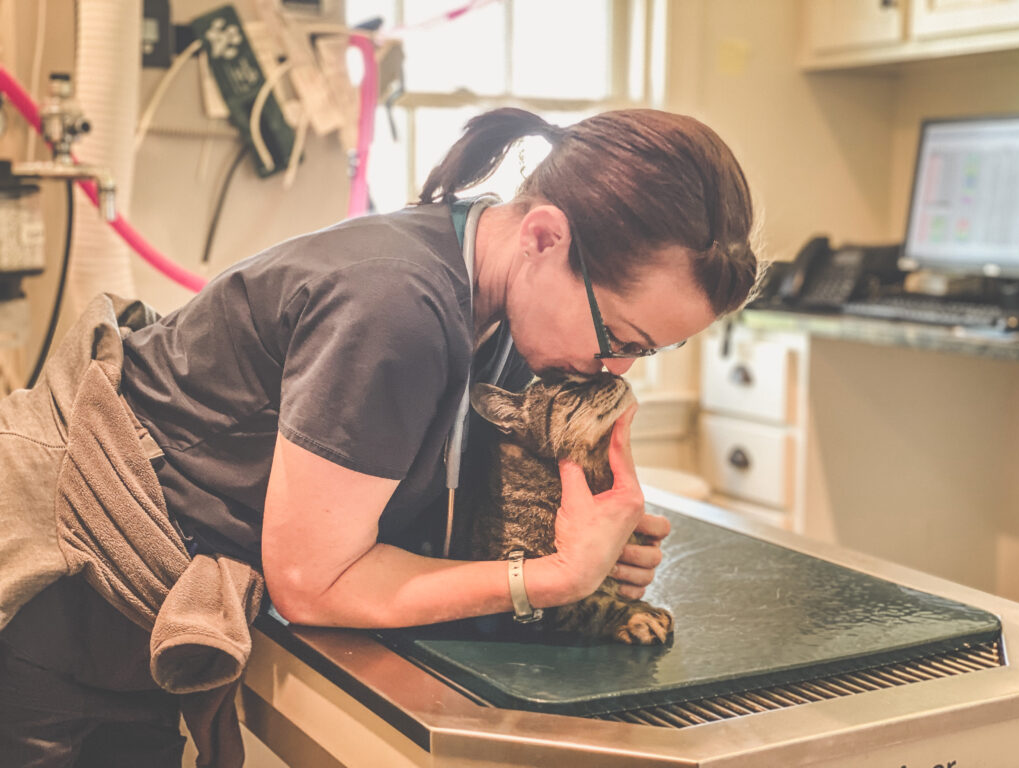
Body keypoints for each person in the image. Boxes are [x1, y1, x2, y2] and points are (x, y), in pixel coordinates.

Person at [0, 107, 759, 766]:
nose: (617, 367)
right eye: (618, 336)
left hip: (137, 604)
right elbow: (314, 583)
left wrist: (596, 543)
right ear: (544, 237)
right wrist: (556, 576)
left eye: (647, 351)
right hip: (62, 589)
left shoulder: (500, 307)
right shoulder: (396, 306)